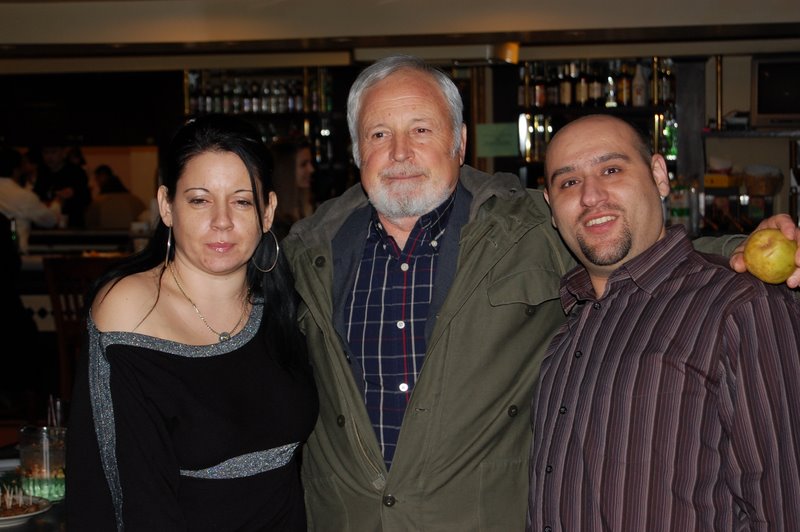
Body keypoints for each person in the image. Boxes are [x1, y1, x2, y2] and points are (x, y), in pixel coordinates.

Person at [282, 55, 799, 530]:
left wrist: (748, 250)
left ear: (460, 142)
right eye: (379, 134)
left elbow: (623, 238)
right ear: (357, 150)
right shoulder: (306, 250)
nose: (400, 152)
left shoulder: (524, 227)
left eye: (421, 129)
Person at [528, 114, 800, 531]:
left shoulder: (740, 306)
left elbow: (783, 509)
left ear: (658, 175)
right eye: (569, 182)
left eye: (611, 170)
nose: (590, 196)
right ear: (551, 206)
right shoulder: (566, 332)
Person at [66, 115, 319, 531]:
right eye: (200, 200)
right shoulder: (130, 309)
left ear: (268, 211)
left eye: (242, 201)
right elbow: (120, 491)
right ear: (167, 206)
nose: (222, 221)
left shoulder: (285, 301)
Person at [0, 146, 58, 236]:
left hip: (11, 237)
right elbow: (50, 221)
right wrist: (57, 203)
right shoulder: (24, 196)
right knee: (14, 233)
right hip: (14, 240)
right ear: (17, 170)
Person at [33, 144, 91, 228]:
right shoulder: (42, 172)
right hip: (47, 223)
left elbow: (86, 198)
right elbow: (37, 195)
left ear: (63, 153)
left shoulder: (76, 172)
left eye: (53, 152)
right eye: (46, 153)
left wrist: (73, 193)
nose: (49, 157)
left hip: (72, 224)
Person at [269, 137, 316, 239]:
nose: (311, 169)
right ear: (286, 170)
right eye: (303, 164)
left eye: (310, 163)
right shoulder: (271, 223)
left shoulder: (306, 206)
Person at [85, 164, 146, 229]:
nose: (97, 183)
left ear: (102, 176)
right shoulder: (135, 201)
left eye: (97, 179)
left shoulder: (98, 203)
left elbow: (90, 223)